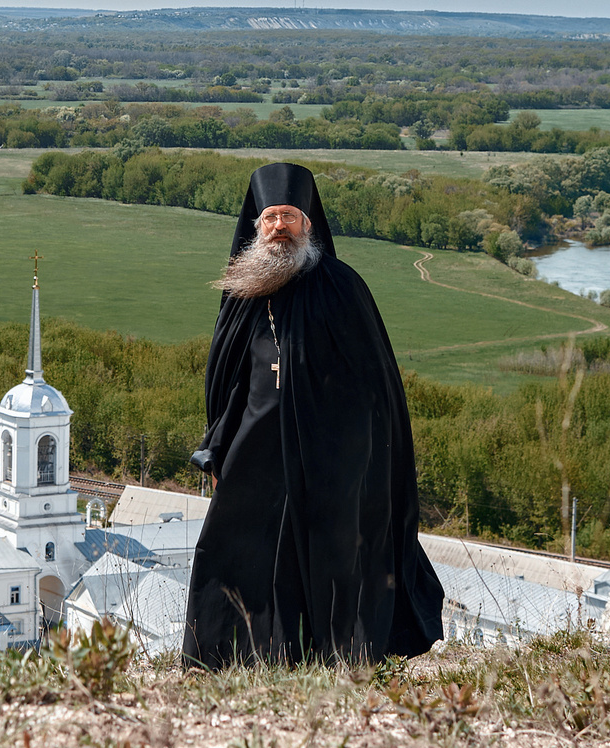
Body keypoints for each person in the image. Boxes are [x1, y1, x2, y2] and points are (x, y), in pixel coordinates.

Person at [182, 161, 444, 667]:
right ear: (256, 227)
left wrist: (362, 463)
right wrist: (217, 450)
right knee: (234, 553)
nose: (280, 227)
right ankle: (228, 662)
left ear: (309, 224)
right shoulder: (243, 291)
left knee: (329, 566)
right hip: (253, 455)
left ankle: (332, 662)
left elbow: (376, 388)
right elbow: (226, 380)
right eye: (271, 218)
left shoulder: (343, 288)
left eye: (290, 217)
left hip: (329, 460)